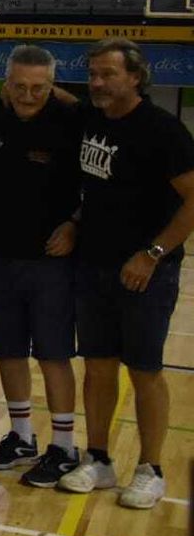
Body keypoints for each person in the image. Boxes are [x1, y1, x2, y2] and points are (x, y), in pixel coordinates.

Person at [57, 39, 194, 509]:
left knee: (146, 370)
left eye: (108, 74)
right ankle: (98, 459)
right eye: (93, 73)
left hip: (146, 272)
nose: (97, 82)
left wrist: (152, 253)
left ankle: (151, 468)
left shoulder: (163, 131)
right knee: (96, 367)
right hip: (93, 265)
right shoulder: (90, 119)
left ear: (135, 77)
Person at [0, 45, 84, 488]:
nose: (28, 94)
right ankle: (22, 437)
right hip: (0, 257)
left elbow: (98, 185)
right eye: (19, 85)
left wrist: (76, 224)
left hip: (51, 263)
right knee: (8, 349)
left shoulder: (72, 122)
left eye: (39, 88)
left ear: (53, 85)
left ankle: (64, 445)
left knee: (54, 353)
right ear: (6, 82)